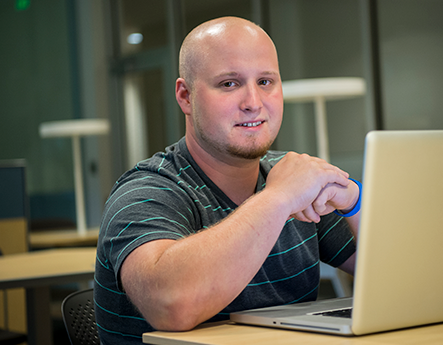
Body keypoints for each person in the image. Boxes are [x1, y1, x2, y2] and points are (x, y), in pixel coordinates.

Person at [94, 16, 361, 344]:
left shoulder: (289, 177)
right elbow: (172, 306)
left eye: (265, 82)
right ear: (185, 96)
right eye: (229, 84)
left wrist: (355, 203)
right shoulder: (145, 192)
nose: (253, 103)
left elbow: (408, 280)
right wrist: (277, 199)